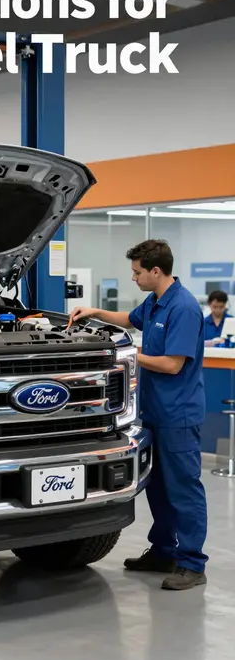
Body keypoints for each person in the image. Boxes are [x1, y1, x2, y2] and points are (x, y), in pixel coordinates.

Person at [69, 239, 208, 591]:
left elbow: (172, 365)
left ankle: (192, 563)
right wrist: (95, 313)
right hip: (152, 414)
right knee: (157, 489)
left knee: (184, 490)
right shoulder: (156, 302)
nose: (133, 278)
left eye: (137, 272)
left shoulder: (184, 308)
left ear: (156, 271)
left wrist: (126, 354)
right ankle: (163, 551)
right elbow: (129, 319)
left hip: (179, 415)